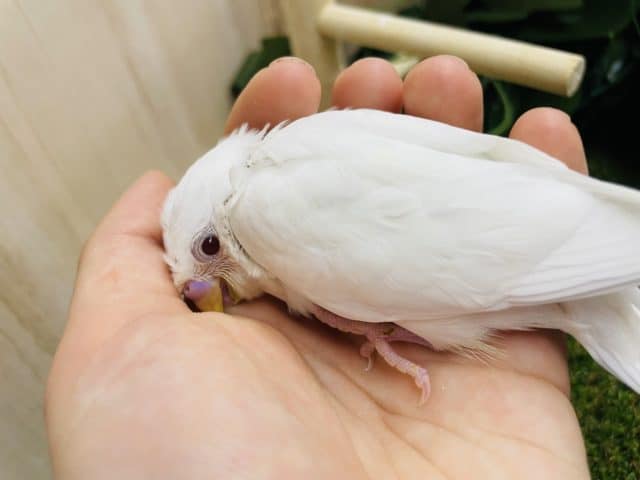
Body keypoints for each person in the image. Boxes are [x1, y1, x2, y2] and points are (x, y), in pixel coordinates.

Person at [45, 55, 591, 479]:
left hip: (546, 249)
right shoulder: (299, 166)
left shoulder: (269, 209)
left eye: (210, 247)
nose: (214, 284)